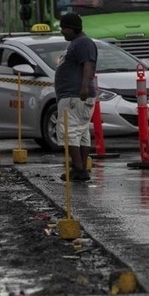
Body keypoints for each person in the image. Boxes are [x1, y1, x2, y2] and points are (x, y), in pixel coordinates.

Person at [54, 12, 97, 182]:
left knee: (70, 131)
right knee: (81, 132)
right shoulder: (77, 43)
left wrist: (84, 87)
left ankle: (78, 169)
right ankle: (81, 168)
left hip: (75, 96)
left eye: (64, 28)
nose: (62, 31)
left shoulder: (83, 43)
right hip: (75, 96)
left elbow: (89, 64)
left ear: (72, 28)